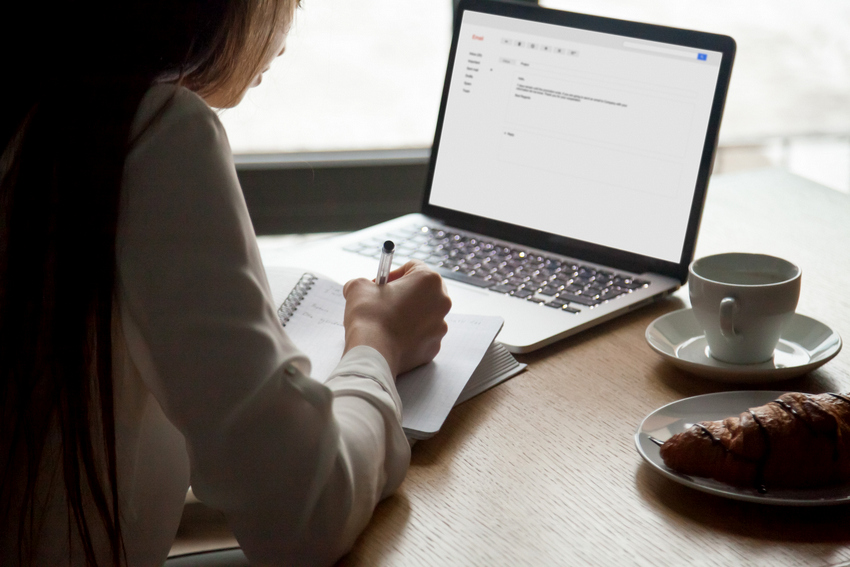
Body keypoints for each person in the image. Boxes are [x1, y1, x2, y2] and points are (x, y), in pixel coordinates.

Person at [0, 1, 451, 565]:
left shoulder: (40, 110)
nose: (284, 37)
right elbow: (305, 514)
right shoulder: (149, 138)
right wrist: (376, 341)